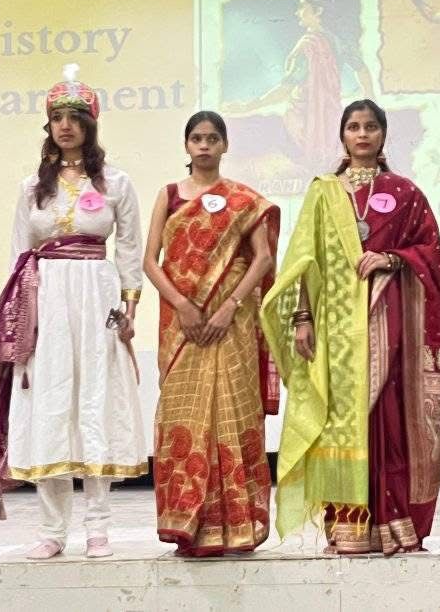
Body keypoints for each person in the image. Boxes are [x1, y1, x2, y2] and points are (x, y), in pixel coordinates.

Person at [260, 99, 440, 556]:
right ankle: (348, 525)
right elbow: (306, 260)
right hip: (336, 332)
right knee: (339, 422)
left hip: (388, 323)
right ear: (343, 136)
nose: (363, 134)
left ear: (384, 134)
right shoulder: (324, 192)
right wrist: (303, 318)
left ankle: (391, 522)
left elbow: (430, 251)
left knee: (386, 418)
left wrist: (392, 258)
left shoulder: (405, 192)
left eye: (371, 126)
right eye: (354, 127)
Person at [0, 64, 146, 560]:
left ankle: (98, 528)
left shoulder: (115, 183)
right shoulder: (32, 187)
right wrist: (19, 317)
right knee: (49, 403)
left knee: (95, 403)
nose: (65, 126)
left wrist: (128, 308)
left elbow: (130, 250)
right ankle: (52, 530)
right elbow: (18, 254)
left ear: (90, 125)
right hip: (46, 301)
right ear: (49, 125)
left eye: (75, 118)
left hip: (97, 296)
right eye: (58, 118)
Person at [143, 111, 280, 556]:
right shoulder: (168, 196)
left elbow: (262, 259)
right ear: (186, 145)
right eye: (197, 138)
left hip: (231, 325)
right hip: (182, 327)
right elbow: (150, 261)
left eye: (212, 138)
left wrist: (229, 306)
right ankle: (188, 521)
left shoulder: (244, 200)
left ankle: (239, 524)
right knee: (182, 416)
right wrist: (182, 306)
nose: (204, 145)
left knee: (235, 415)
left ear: (224, 145)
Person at [235, 0, 375, 176]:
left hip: (302, 122)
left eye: (302, 7)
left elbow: (285, 89)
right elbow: (361, 69)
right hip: (331, 117)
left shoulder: (307, 47)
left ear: (318, 11)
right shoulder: (337, 42)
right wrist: (370, 98)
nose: (297, 12)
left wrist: (248, 106)